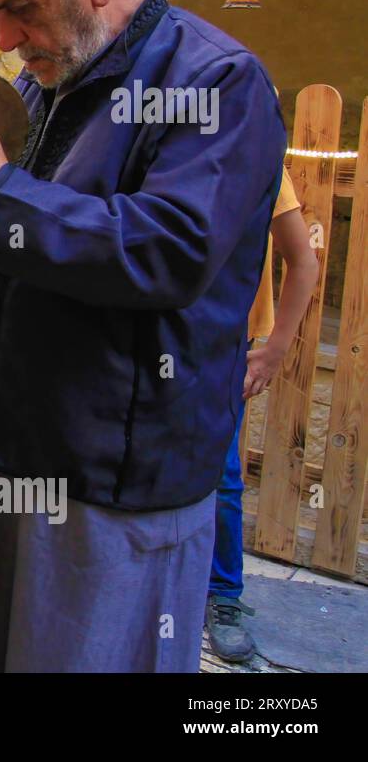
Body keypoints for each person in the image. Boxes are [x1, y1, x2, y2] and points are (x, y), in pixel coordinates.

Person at [0, 0, 286, 671]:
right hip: (11, 443)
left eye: (23, 11)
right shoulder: (49, 74)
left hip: (112, 472)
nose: (8, 39)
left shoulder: (215, 81)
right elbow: (15, 228)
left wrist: (1, 186)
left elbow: (169, 250)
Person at [207, 165, 318, 662]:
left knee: (221, 473)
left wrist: (274, 351)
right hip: (150, 332)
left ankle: (223, 596)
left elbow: (304, 260)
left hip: (225, 338)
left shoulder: (260, 160)